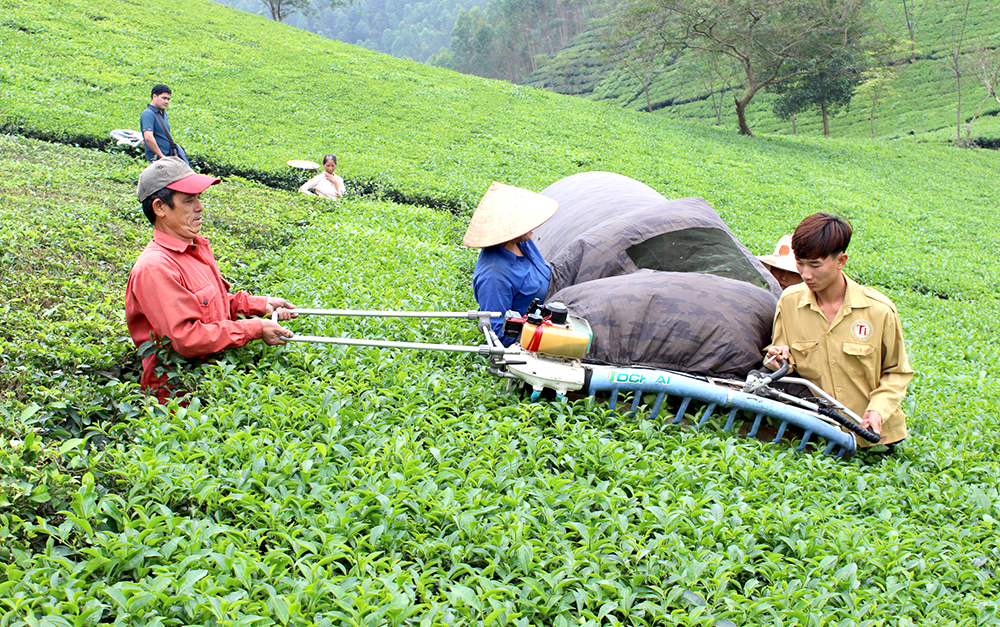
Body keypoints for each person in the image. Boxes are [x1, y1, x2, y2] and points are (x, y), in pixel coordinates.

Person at [125, 157, 295, 401]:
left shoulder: (195, 247)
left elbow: (211, 303)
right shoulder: (156, 267)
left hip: (210, 383)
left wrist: (260, 305)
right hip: (178, 400)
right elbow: (186, 338)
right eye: (189, 200)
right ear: (160, 207)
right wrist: (255, 328)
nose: (199, 207)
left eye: (199, 198)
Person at [765, 213, 913, 452]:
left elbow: (897, 372)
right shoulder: (789, 301)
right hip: (818, 433)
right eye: (800, 263)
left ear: (841, 261)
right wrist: (777, 359)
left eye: (815, 265)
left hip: (875, 439)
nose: (806, 274)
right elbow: (781, 357)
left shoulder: (879, 310)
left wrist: (878, 410)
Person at [464, 182, 558, 346]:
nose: (533, 226)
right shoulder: (494, 276)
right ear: (509, 230)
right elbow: (499, 334)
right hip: (531, 340)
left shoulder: (522, 242)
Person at [140, 84, 189, 165]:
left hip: (167, 156)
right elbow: (148, 137)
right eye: (164, 98)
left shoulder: (163, 113)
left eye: (168, 99)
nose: (166, 101)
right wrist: (161, 156)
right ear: (154, 96)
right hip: (158, 160)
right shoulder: (148, 113)